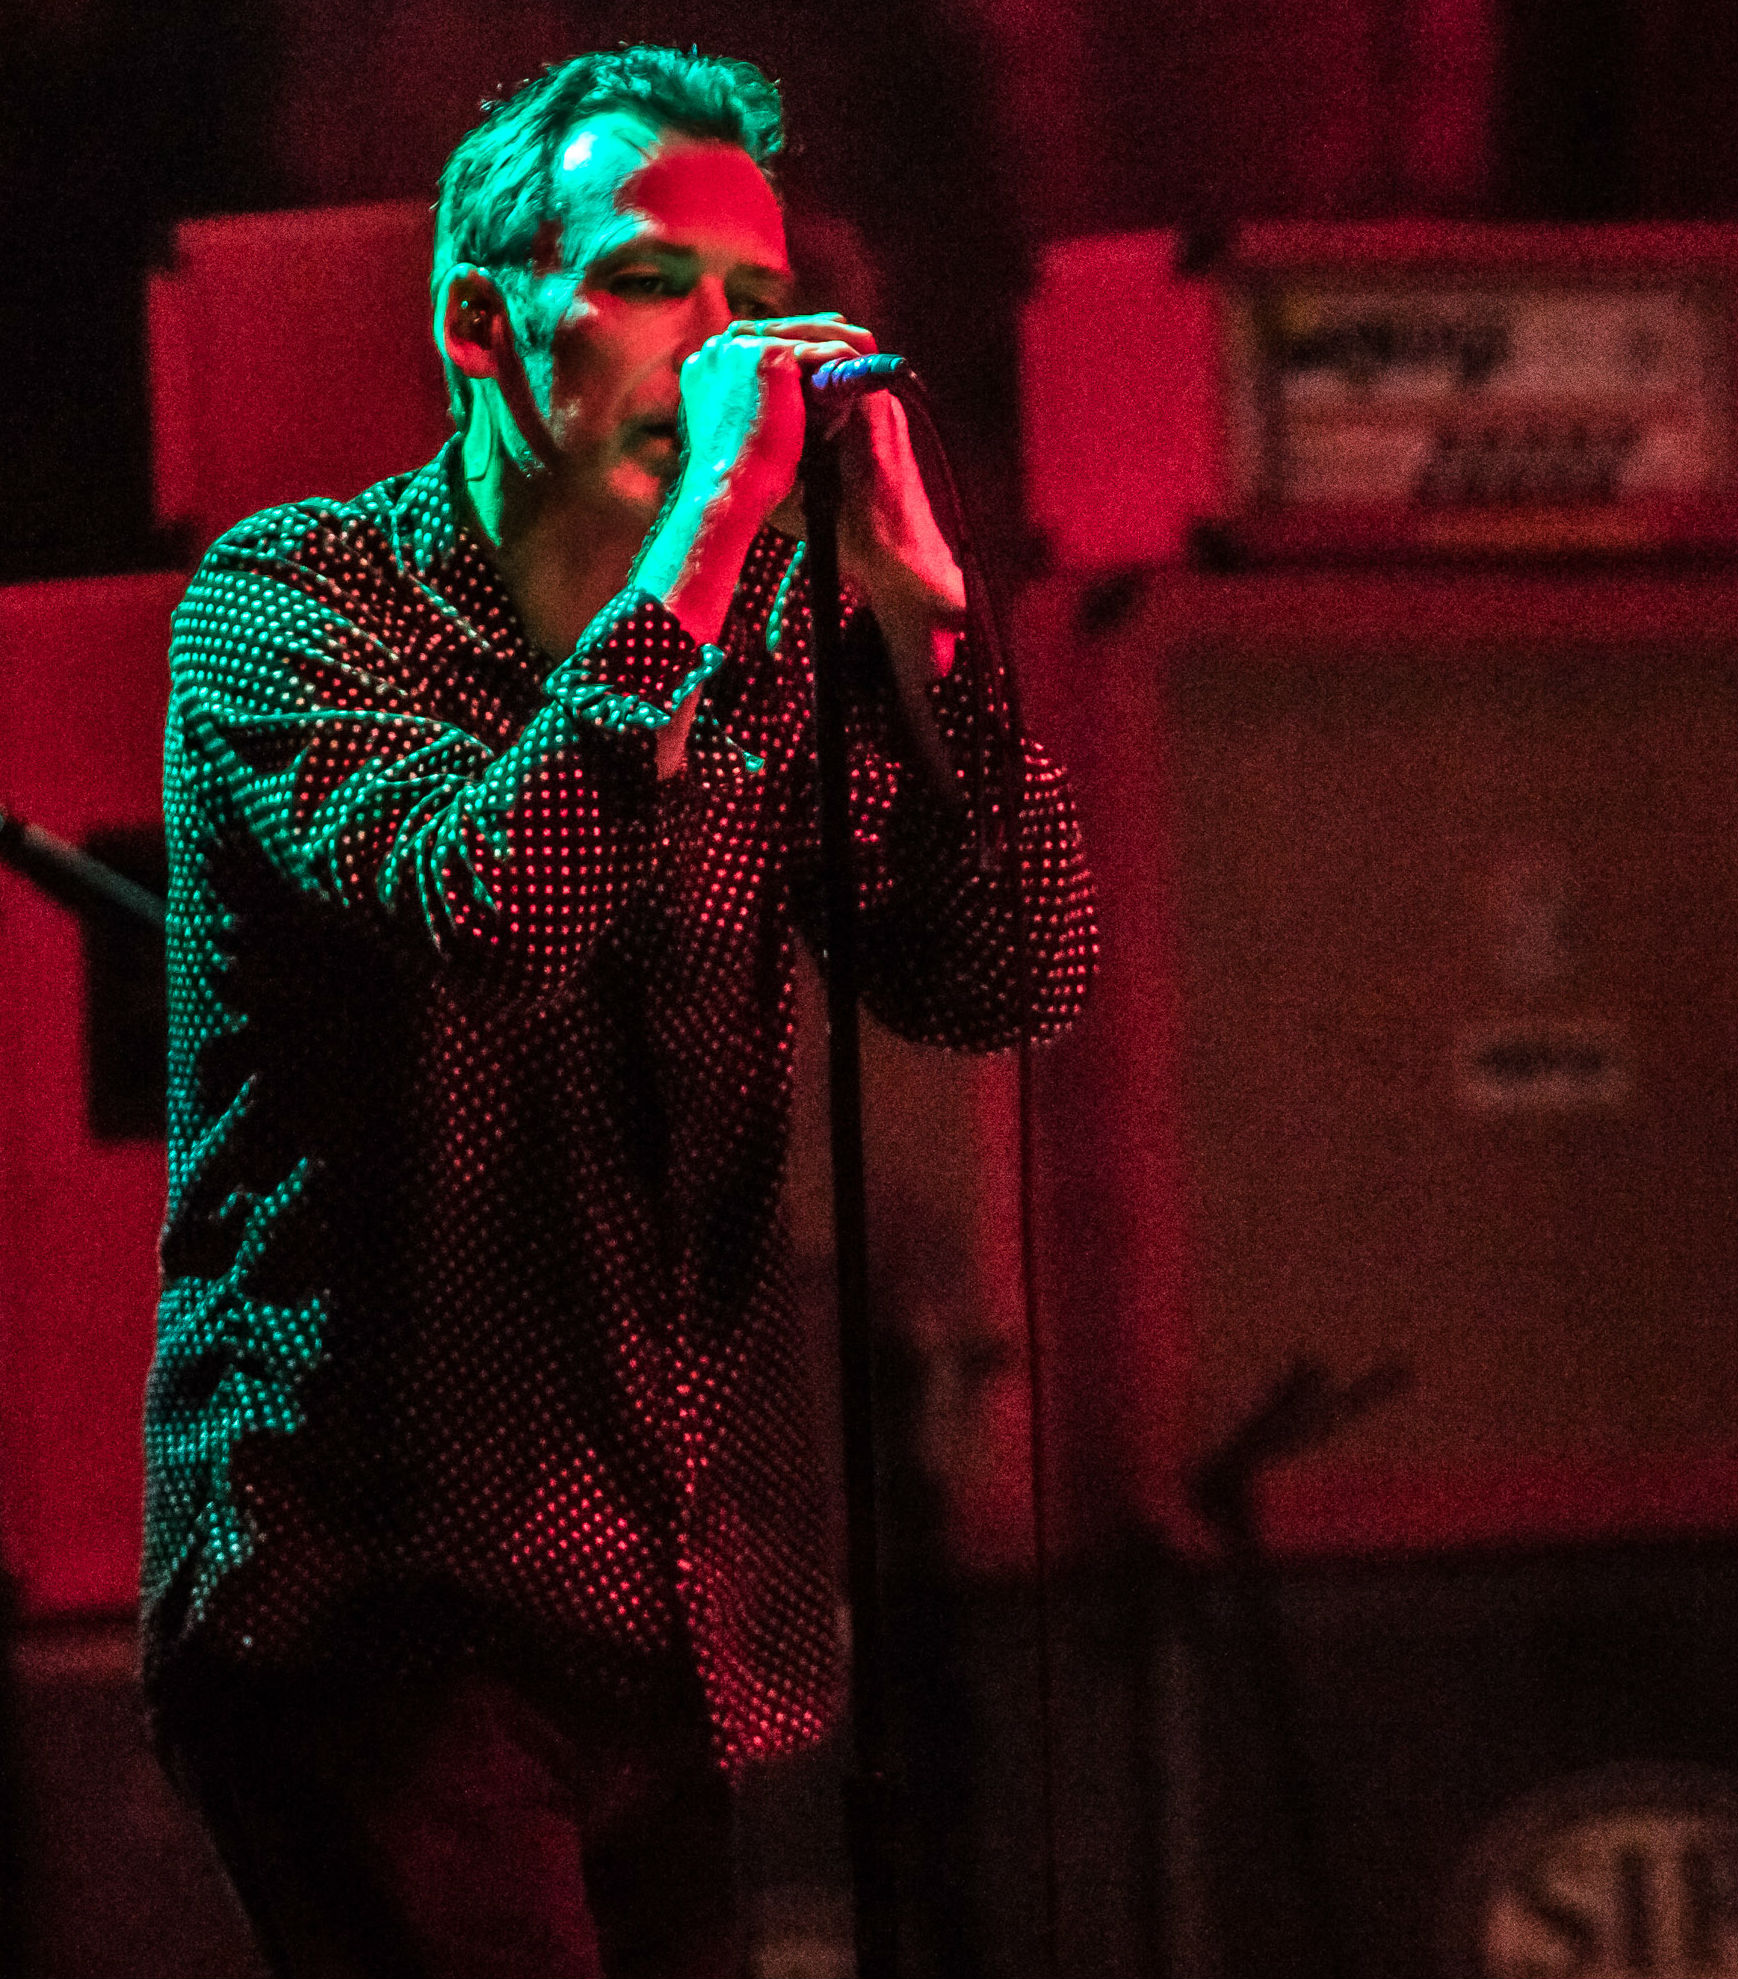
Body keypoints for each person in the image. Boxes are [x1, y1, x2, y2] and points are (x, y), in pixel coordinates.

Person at [142, 46, 1095, 1978]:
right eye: (655, 283)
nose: (724, 347)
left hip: (671, 1611)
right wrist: (714, 539)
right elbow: (500, 907)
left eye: (757, 299)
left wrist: (929, 623)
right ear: (484, 328)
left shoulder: (763, 659)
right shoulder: (296, 606)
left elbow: (1006, 974)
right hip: (373, 1605)